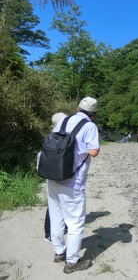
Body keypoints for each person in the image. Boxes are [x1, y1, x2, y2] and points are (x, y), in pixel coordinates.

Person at [47, 97, 100, 274]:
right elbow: (93, 151)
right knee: (75, 221)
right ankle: (72, 262)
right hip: (72, 181)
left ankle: (59, 252)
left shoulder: (63, 120)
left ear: (77, 109)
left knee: (56, 217)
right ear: (93, 115)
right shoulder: (90, 126)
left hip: (52, 175)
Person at [41, 112, 68, 243]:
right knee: (55, 204)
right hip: (57, 175)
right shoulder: (58, 136)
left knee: (54, 203)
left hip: (50, 174)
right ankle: (48, 233)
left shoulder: (50, 136)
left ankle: (52, 232)